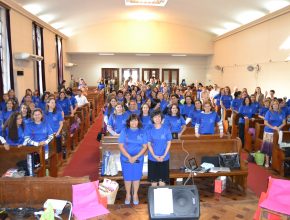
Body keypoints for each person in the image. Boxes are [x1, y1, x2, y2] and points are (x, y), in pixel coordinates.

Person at [118, 114, 148, 205]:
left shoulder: (142, 132)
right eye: (132, 120)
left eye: (136, 120)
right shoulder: (124, 131)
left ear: (138, 121)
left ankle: (135, 194)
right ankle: (128, 194)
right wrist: (129, 157)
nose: (134, 122)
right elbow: (121, 146)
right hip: (125, 158)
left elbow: (145, 146)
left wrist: (136, 156)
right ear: (129, 122)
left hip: (138, 158)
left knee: (136, 176)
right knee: (127, 177)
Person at [147, 110, 172, 186]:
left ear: (161, 118)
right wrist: (154, 156)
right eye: (155, 117)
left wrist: (164, 155)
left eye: (159, 117)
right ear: (152, 119)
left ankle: (161, 198)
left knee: (162, 181)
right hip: (152, 158)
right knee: (153, 181)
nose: (157, 119)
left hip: (164, 158)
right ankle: (154, 198)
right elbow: (149, 144)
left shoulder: (166, 128)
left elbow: (168, 143)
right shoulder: (149, 130)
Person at [261, 99, 286, 168]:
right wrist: (273, 127)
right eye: (274, 104)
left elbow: (284, 122)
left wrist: (278, 128)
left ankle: (273, 161)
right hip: (269, 131)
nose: (275, 105)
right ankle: (267, 162)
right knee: (268, 147)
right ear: (271, 105)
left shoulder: (282, 112)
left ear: (278, 105)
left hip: (277, 132)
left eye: (276, 104)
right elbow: (265, 122)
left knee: (275, 147)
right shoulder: (268, 112)